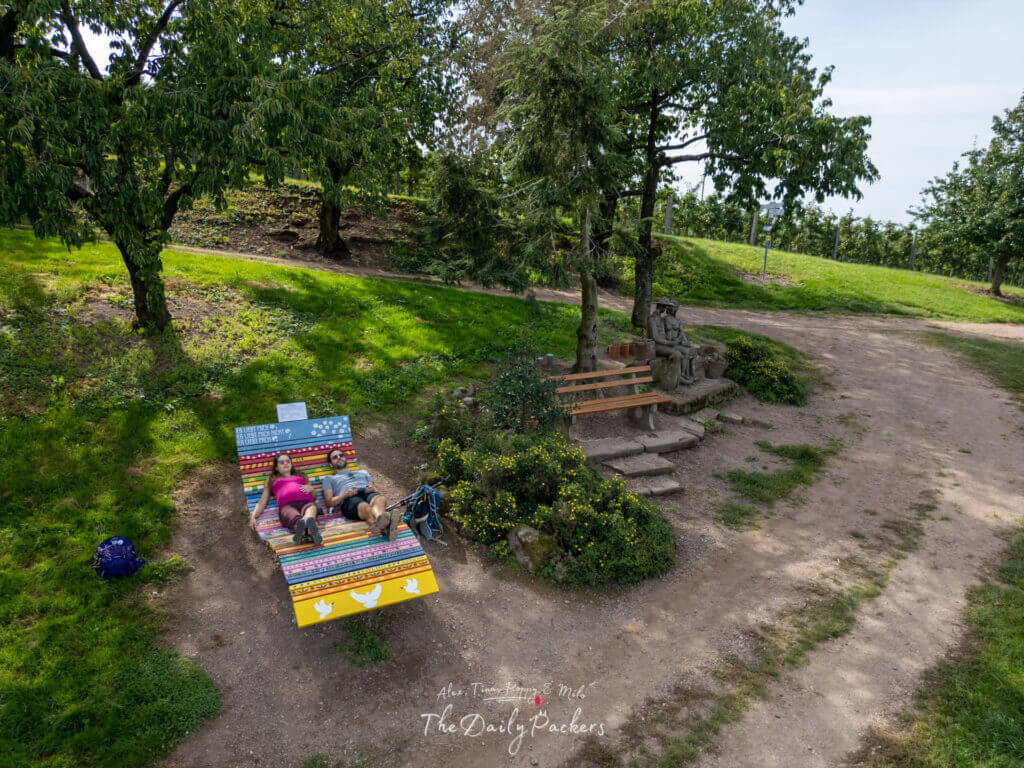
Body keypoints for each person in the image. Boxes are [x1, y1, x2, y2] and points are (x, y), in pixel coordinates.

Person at [320, 448, 400, 540]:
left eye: (341, 455)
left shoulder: (363, 472)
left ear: (345, 458)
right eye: (335, 457)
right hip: (349, 500)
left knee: (380, 499)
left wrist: (374, 489)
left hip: (367, 493)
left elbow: (376, 491)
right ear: (331, 464)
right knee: (365, 507)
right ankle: (387, 525)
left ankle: (382, 524)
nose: (339, 457)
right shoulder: (329, 479)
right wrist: (345, 494)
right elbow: (329, 503)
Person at [249, 453, 323, 546]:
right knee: (295, 517)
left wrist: (311, 489)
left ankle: (303, 532)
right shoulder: (272, 479)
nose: (285, 463)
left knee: (311, 510)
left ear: (291, 464)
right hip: (287, 507)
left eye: (288, 461)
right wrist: (253, 515)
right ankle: (310, 531)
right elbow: (263, 500)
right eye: (281, 462)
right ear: (276, 467)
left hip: (306, 503)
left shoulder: (301, 476)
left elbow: (314, 497)